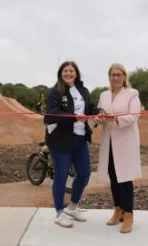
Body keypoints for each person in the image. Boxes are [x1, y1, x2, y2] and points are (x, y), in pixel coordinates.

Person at [44, 61, 100, 228]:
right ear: (61, 74)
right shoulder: (54, 92)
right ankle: (59, 212)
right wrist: (74, 117)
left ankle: (72, 207)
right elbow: (52, 115)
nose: (68, 74)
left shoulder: (83, 90)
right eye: (65, 71)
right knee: (61, 175)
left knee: (84, 174)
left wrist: (99, 112)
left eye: (71, 71)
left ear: (76, 73)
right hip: (60, 140)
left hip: (80, 138)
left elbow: (89, 107)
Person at [94, 63, 142, 233]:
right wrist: (99, 117)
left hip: (125, 141)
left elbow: (134, 115)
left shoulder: (132, 93)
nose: (115, 78)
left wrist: (116, 119)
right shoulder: (104, 95)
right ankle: (118, 210)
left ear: (124, 77)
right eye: (112, 75)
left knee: (125, 178)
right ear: (109, 77)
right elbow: (100, 112)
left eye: (118, 74)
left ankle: (128, 215)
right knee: (113, 177)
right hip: (109, 141)